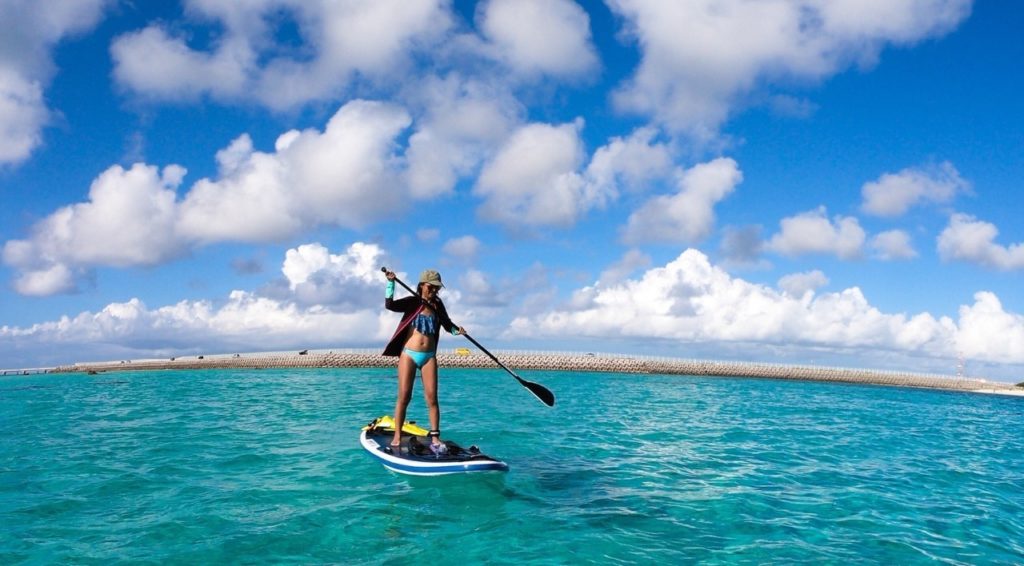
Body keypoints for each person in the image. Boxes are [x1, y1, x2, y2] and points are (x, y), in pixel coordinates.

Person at [382, 268, 464, 454]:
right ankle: (397, 435)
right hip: (408, 354)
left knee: (432, 398)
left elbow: (446, 323)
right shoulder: (412, 301)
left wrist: (455, 330)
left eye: (437, 288)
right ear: (422, 285)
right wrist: (391, 283)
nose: (434, 291)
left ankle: (435, 438)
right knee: (404, 396)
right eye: (431, 287)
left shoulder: (437, 305)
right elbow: (390, 305)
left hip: (429, 356)